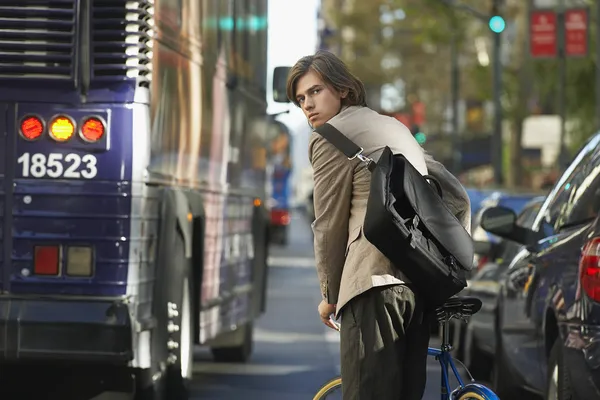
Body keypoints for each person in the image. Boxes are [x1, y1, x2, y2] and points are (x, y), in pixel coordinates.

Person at [285, 50, 471, 400]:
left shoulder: (329, 136)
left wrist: (329, 295)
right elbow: (457, 196)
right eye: (300, 98)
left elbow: (327, 225)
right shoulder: (394, 127)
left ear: (342, 89)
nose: (307, 104)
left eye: (315, 91)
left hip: (371, 288)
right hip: (417, 290)